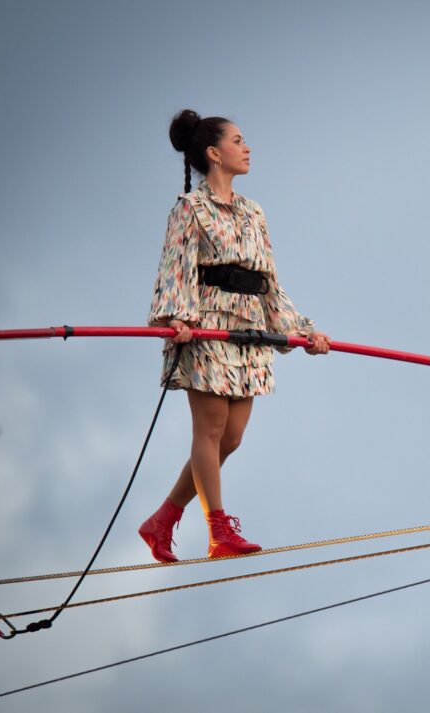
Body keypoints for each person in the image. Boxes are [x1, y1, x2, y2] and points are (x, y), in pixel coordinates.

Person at [139, 109, 330, 562]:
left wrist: (302, 332)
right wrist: (176, 319)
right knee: (210, 429)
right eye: (239, 140)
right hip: (204, 324)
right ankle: (217, 530)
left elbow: (268, 281)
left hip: (250, 328)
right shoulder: (190, 208)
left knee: (232, 438)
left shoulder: (254, 213)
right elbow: (175, 268)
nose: (247, 148)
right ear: (213, 153)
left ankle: (163, 518)